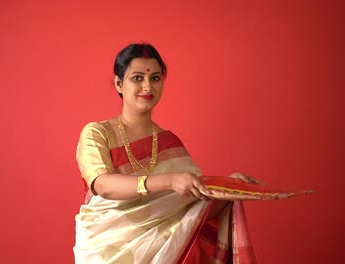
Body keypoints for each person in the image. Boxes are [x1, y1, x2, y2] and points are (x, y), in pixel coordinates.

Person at [73, 43, 258, 263]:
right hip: (105, 251)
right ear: (119, 84)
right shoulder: (97, 133)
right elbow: (103, 185)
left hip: (163, 254)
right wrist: (169, 181)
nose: (147, 87)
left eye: (155, 78)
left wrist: (228, 186)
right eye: (137, 78)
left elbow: (191, 206)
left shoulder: (169, 142)